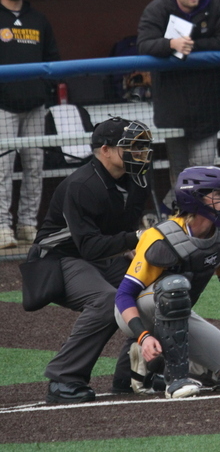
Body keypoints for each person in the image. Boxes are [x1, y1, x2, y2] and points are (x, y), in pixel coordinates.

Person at [114, 166, 220, 399]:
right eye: (218, 195)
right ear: (194, 199)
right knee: (174, 289)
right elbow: (124, 295)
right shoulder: (160, 237)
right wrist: (143, 335)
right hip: (136, 312)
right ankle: (175, 381)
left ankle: (154, 365)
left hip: (178, 312)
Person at [25, 117, 153, 403]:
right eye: (131, 146)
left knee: (153, 291)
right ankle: (63, 378)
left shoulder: (138, 177)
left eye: (142, 147)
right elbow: (90, 248)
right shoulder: (82, 185)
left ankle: (132, 374)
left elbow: (125, 232)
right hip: (58, 259)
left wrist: (135, 247)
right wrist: (135, 239)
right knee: (108, 301)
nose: (141, 153)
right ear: (105, 150)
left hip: (100, 256)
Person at [137, 0, 220, 212]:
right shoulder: (158, 9)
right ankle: (180, 220)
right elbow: (144, 45)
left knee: (203, 170)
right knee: (180, 172)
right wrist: (171, 43)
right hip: (173, 107)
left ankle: (176, 214)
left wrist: (190, 46)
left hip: (207, 104)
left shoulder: (215, 4)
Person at [0, 0, 60, 248]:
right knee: (2, 170)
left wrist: (45, 93)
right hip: (3, 108)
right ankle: (2, 227)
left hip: (36, 107)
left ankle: (27, 225)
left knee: (35, 167)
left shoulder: (38, 19)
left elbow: (53, 60)